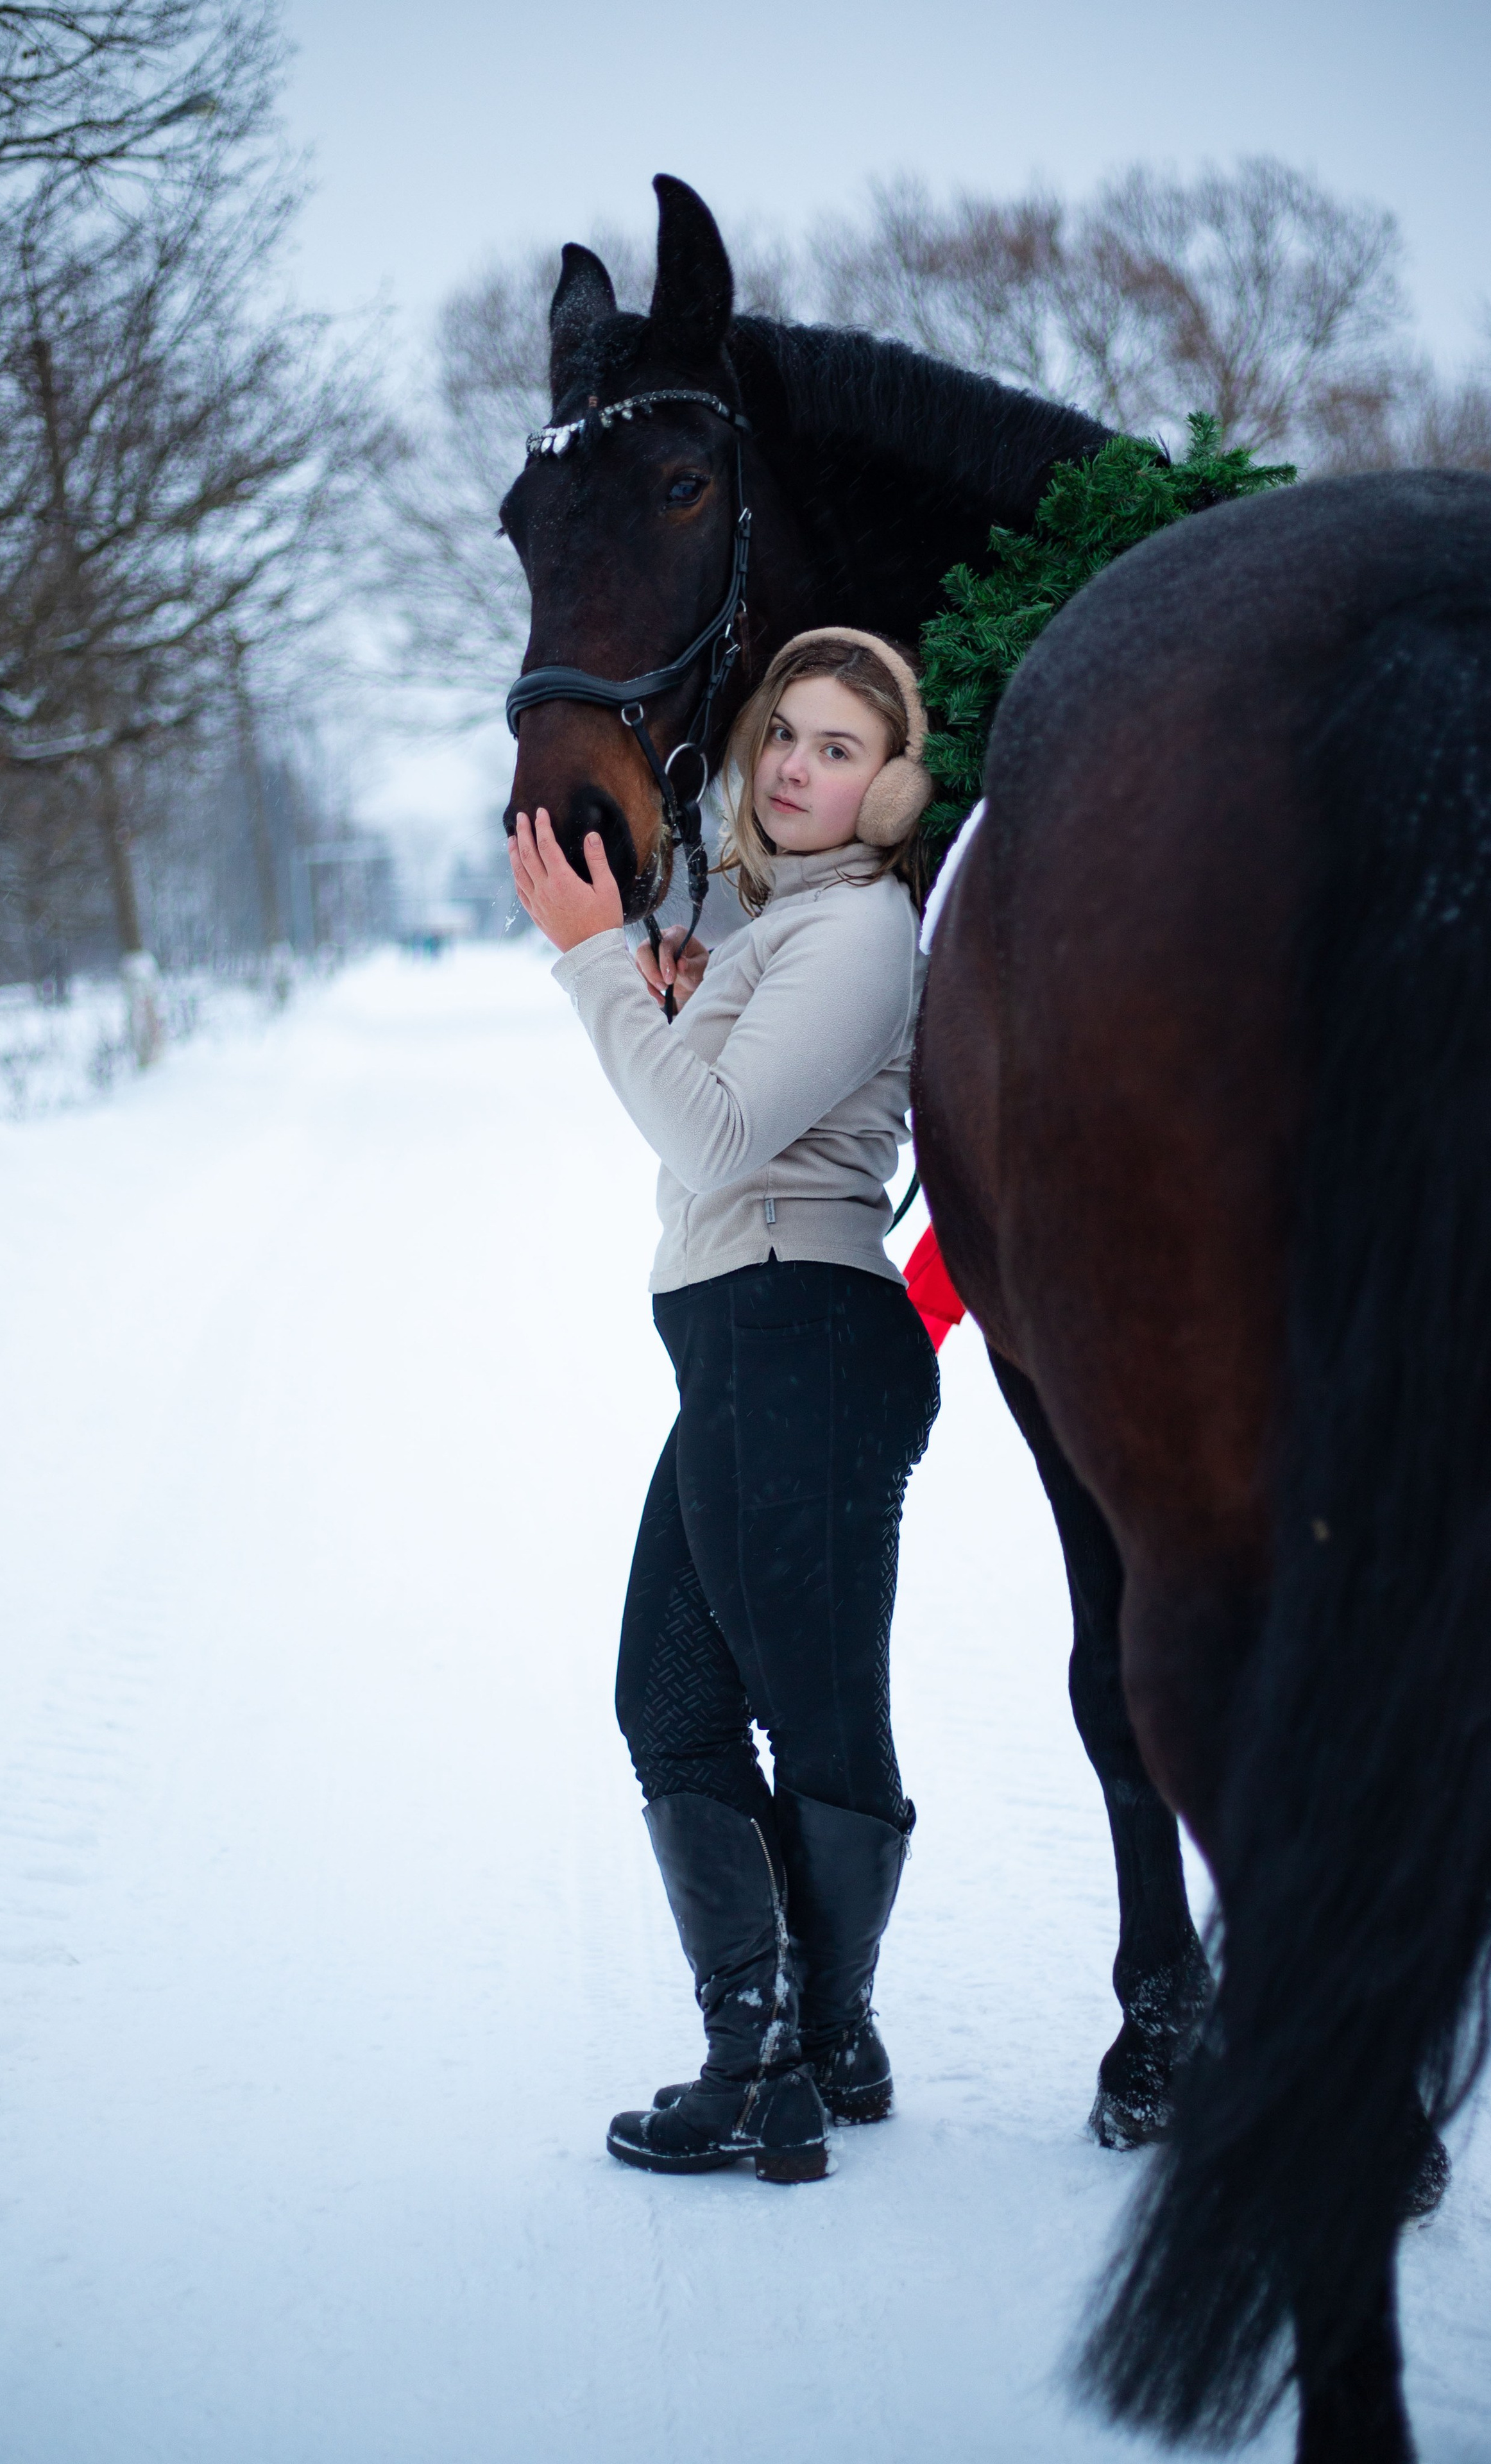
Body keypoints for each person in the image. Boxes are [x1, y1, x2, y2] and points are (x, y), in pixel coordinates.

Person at [508, 629, 940, 2185]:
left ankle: (781, 2057)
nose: (794, 768)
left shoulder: (858, 929)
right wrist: (672, 992)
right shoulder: (785, 925)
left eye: (839, 747)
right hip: (751, 1341)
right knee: (676, 1701)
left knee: (801, 1712)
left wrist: (587, 959)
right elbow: (709, 1104)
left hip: (798, 1330)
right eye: (784, 735)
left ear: (887, 788)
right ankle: (803, 2047)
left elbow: (706, 1138)